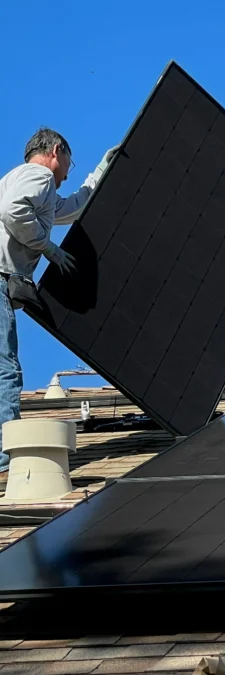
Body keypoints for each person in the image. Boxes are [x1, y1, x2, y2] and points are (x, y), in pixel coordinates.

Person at [0, 128, 118, 476]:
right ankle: (8, 456)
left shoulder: (24, 181)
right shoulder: (39, 176)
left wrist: (100, 171)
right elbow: (12, 210)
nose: (68, 172)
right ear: (56, 151)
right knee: (6, 368)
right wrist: (48, 247)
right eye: (70, 163)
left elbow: (72, 209)